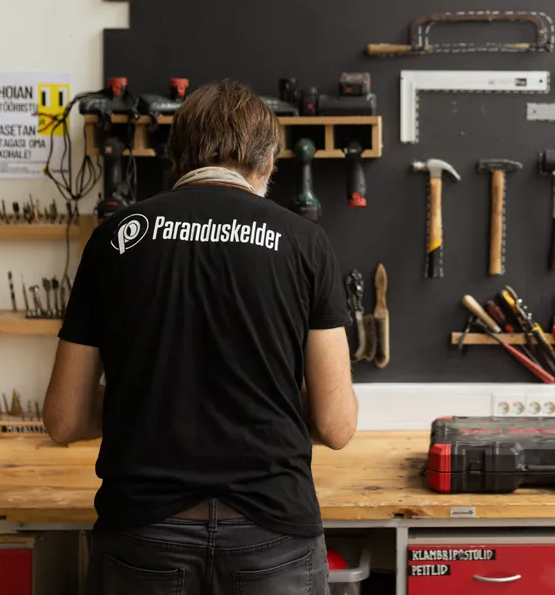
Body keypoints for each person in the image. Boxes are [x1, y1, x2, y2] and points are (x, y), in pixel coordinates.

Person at [44, 80, 357, 595]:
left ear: (177, 156)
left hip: (144, 532)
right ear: (269, 162)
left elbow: (63, 418)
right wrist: (262, 398)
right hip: (270, 532)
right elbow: (337, 423)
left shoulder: (115, 239)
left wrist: (146, 400)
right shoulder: (306, 243)